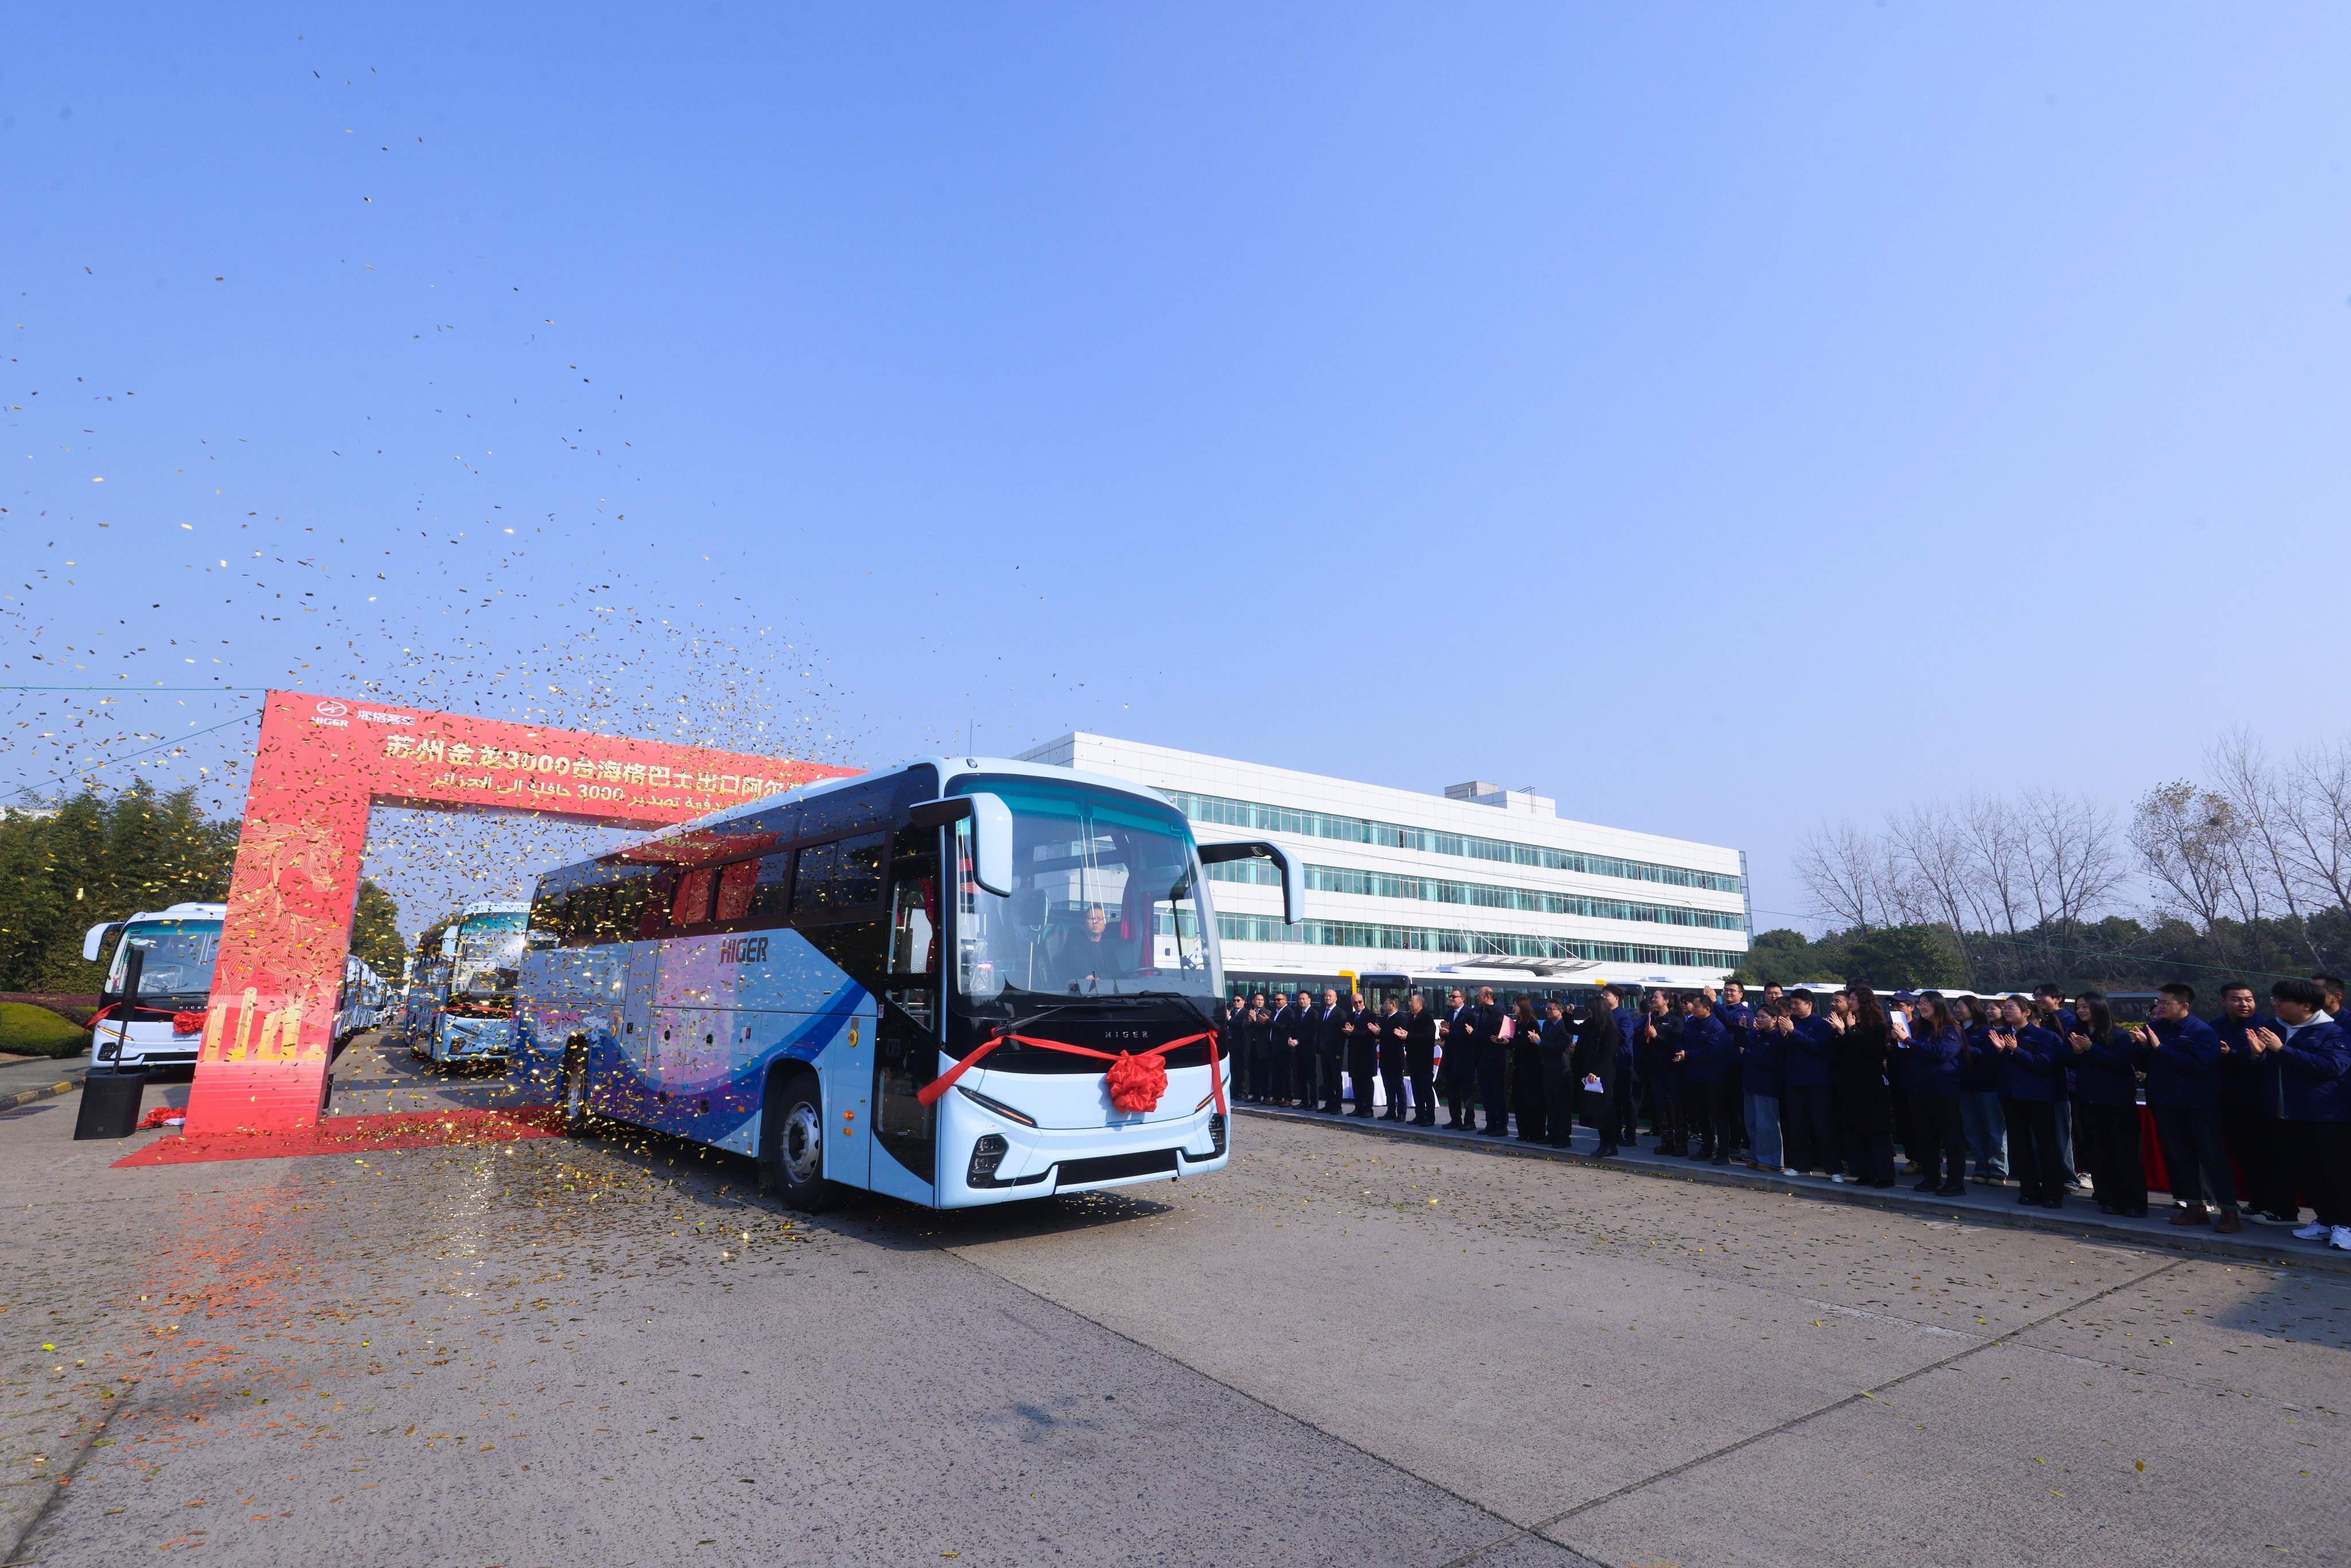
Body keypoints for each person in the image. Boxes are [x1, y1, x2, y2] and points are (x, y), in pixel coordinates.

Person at [2248, 978, 2350, 1251]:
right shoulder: (2274, 1028)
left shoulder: (2331, 1032)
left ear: (2306, 1006)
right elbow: (2267, 1067)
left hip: (2326, 1117)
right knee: (2308, 1172)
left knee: (2334, 1173)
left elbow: (2332, 1067)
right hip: (2286, 1116)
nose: (2276, 1004)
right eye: (2275, 999)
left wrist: (2283, 1050)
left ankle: (2346, 1225)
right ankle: (2325, 1220)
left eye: (2283, 1000)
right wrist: (2258, 1056)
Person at [2135, 982, 2241, 1233]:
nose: (2160, 1007)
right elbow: (2143, 1064)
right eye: (2159, 1002)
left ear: (2184, 1006)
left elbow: (2199, 1065)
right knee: (2180, 1156)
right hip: (2165, 1103)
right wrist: (2143, 1048)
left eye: (2166, 1003)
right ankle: (2194, 1208)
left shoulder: (2201, 1031)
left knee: (2212, 1158)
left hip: (2198, 1105)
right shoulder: (2154, 1028)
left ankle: (2229, 1213)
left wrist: (2160, 1048)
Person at [2214, 981, 2295, 1225]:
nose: (2244, 1004)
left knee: (2268, 1157)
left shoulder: (2268, 1027)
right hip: (2229, 1103)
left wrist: (2237, 1054)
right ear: (2223, 1001)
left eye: (2248, 999)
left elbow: (2269, 1059)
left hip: (2263, 1104)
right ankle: (2257, 1202)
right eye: (2237, 999)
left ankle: (2278, 1206)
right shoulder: (2214, 1027)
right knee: (2244, 1156)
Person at [2066, 991, 2147, 1218]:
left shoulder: (2118, 1035)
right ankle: (2107, 1198)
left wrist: (2091, 1049)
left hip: (2118, 1103)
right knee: (2098, 1152)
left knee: (2125, 1154)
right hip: (2090, 1101)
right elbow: (2066, 1061)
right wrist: (2075, 1052)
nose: (2081, 1011)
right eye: (2078, 1007)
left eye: (2086, 1007)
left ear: (2098, 1008)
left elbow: (2121, 1063)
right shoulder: (2077, 1034)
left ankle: (2133, 1202)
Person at [1989, 996, 2065, 1208]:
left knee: (2046, 1145)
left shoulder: (2044, 1036)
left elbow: (2045, 1065)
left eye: (2012, 1008)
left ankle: (2053, 1193)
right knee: (2020, 1146)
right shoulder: (2001, 1035)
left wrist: (2016, 1050)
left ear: (2027, 1012)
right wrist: (1999, 1052)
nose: (2006, 1011)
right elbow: (1991, 1068)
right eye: (2005, 1008)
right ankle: (2029, 1190)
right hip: (2011, 1098)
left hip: (2038, 1097)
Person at [1830, 984, 1898, 1187]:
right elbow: (1842, 1051)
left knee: (1877, 1130)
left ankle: (1885, 1175)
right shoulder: (1848, 1022)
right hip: (1851, 1084)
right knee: (1857, 1129)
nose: (1850, 1002)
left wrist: (1852, 1030)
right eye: (1849, 999)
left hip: (1872, 1084)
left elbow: (1871, 1051)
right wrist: (1841, 1032)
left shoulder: (1877, 1025)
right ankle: (1865, 1172)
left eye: (1853, 999)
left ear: (1864, 1002)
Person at [1904, 993, 1968, 1196]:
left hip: (1944, 1091)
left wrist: (1908, 1041)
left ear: (1939, 1005)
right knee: (1926, 1137)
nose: (1923, 1007)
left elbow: (1942, 1053)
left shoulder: (1951, 1028)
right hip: (1921, 1089)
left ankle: (1956, 1183)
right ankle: (1932, 1177)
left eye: (1927, 1003)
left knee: (1951, 1138)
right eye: (1920, 1003)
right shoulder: (1920, 1028)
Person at [1778, 991, 1837, 1175]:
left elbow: (1817, 1047)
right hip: (1794, 1082)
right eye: (1792, 1003)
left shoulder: (1821, 1024)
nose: (1793, 1007)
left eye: (1797, 1003)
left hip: (1817, 1083)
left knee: (1822, 1126)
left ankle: (1833, 1169)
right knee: (1797, 1125)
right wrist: (1784, 1034)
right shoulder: (1790, 1022)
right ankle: (1800, 1165)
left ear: (1809, 1005)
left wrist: (1794, 1032)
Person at [1958, 997, 2010, 1184]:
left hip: (1988, 1088)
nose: (1958, 1010)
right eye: (1956, 1007)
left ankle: (1997, 1170)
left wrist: (1966, 1049)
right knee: (1973, 1130)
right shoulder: (1956, 1031)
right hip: (1965, 1087)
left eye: (1961, 1006)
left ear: (1973, 1008)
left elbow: (1990, 1057)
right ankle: (1981, 1167)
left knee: (1994, 1130)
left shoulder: (1986, 1031)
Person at [1679, 994, 1734, 1165]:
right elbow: (1682, 1040)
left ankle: (1723, 1152)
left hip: (1713, 1078)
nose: (1693, 1008)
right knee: (1701, 1114)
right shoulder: (1691, 1023)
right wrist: (1681, 1051)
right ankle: (1707, 1147)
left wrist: (1688, 1055)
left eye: (1697, 1006)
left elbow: (1713, 1051)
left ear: (1707, 1009)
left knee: (1718, 1115)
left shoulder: (1716, 1027)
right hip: (1694, 1076)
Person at [1574, 993, 1622, 1156]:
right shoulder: (1591, 1024)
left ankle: (1611, 1145)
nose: (1589, 1012)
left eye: (1591, 1009)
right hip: (1590, 1073)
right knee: (1597, 1111)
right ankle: (1603, 1144)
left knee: (1606, 1110)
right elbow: (1575, 1029)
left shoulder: (1609, 1029)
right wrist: (1568, 1014)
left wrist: (1597, 1071)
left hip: (1603, 1074)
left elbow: (1608, 1054)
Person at [1639, 991, 1686, 1155]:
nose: (1653, 999)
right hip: (1655, 1068)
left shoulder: (1675, 1020)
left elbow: (1677, 1042)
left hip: (1672, 1068)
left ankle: (1681, 1143)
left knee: (1674, 1104)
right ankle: (1667, 1141)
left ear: (1666, 1001)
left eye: (1656, 997)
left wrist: (1657, 1037)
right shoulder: (1651, 1018)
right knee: (1660, 1104)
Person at [1740, 998, 1784, 1173]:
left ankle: (1772, 1160)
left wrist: (1749, 1053)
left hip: (1767, 1086)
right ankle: (1756, 1156)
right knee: (1751, 1123)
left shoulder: (1778, 1037)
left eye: (1763, 1017)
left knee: (1767, 1125)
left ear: (1775, 1019)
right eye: (1758, 1016)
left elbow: (1772, 1061)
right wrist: (1742, 1031)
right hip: (1751, 1083)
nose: (1759, 1019)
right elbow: (1740, 1049)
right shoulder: (1755, 1035)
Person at [1535, 999, 1576, 1150]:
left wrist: (1540, 1042)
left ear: (1560, 1012)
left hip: (1561, 1071)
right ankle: (1552, 1134)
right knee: (1551, 1104)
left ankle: (1564, 1138)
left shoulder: (1565, 1025)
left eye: (1550, 1009)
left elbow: (1560, 1047)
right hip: (1548, 1069)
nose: (1547, 1011)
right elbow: (1545, 1043)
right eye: (1547, 1008)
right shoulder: (1547, 1024)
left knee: (1562, 1106)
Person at [1471, 986, 1511, 1136]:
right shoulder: (1480, 1011)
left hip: (1495, 1060)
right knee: (1487, 1094)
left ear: (1488, 997)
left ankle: (1502, 1125)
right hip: (1482, 1059)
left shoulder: (1498, 1012)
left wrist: (1475, 1033)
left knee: (1497, 1094)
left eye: (1480, 995)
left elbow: (1494, 1035)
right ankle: (1491, 1123)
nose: (1477, 997)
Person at [1510, 996, 1547, 1143]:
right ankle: (1524, 1132)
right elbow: (1514, 1042)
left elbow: (1532, 1044)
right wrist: (1506, 1042)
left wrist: (1513, 1043)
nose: (1513, 1008)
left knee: (1533, 1101)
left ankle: (1536, 1133)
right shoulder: (1516, 1023)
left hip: (1531, 1068)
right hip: (1519, 1067)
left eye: (1516, 1005)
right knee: (1519, 1100)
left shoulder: (1532, 1023)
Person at [1608, 988, 1642, 1146]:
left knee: (1626, 1102)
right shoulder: (1605, 1015)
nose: (1604, 997)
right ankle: (1615, 1133)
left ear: (1617, 999)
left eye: (1607, 995)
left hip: (1623, 1065)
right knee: (1612, 1102)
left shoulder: (1624, 1017)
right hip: (1610, 1065)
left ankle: (1630, 1134)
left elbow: (1623, 1036)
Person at [1438, 988, 1476, 1130]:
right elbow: (1445, 1035)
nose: (1451, 999)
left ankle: (1470, 1121)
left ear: (1462, 999)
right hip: (1451, 1057)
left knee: (1467, 1092)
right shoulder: (1449, 1013)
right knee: (1452, 1091)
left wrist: (1450, 1032)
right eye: (1450, 996)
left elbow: (1469, 1036)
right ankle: (1455, 1119)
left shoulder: (1470, 1014)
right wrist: (1443, 1033)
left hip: (1465, 1058)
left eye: (1454, 997)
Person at [1402, 992, 1438, 1127]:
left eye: (1412, 1002)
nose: (1410, 1005)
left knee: (1426, 1089)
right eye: (1410, 1002)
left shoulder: (1427, 1019)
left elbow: (1428, 1038)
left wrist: (1409, 1036)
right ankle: (1420, 1115)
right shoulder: (1411, 1018)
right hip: (1413, 1058)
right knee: (1416, 1089)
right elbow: (1408, 1034)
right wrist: (1403, 1036)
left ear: (1420, 1004)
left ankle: (1430, 1117)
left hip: (1424, 1060)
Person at [1345, 992, 1380, 1118]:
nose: (1358, 1004)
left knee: (1367, 1082)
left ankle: (1368, 1109)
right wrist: (1347, 1032)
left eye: (1360, 1002)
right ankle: (1358, 1108)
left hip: (1367, 1054)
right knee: (1356, 1082)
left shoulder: (1371, 1016)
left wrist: (1354, 1032)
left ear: (1364, 1001)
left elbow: (1370, 1034)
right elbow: (1348, 1032)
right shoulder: (1351, 1016)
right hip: (1354, 1054)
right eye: (1355, 1003)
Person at [1314, 988, 1348, 1115]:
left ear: (1336, 998)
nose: (1328, 998)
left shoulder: (1340, 1013)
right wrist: (1318, 1049)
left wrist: (1339, 1053)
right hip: (1324, 1052)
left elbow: (1341, 1036)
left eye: (1330, 996)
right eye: (1326, 996)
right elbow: (1320, 1032)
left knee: (1336, 1080)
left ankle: (1338, 1106)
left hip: (1335, 1053)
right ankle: (1329, 1104)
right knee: (1327, 1079)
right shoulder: (1323, 1011)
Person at [1376, 994, 1408, 1121]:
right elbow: (1381, 1034)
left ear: (1393, 1005)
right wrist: (1377, 1033)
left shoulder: (1400, 1019)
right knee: (1388, 1087)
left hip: (1396, 1058)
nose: (1384, 1005)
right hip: (1385, 1057)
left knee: (1398, 1086)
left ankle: (1402, 1113)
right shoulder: (1384, 1019)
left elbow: (1398, 1036)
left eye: (1387, 1003)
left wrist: (1381, 1032)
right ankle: (1391, 1111)